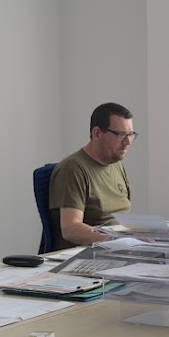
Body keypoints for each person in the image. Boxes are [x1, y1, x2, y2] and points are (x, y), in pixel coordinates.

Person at [49, 102, 136, 249]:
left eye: (130, 135)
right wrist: (117, 240)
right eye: (121, 135)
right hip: (89, 251)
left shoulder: (116, 164)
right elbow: (71, 229)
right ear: (97, 133)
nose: (127, 142)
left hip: (118, 248)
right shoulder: (72, 169)